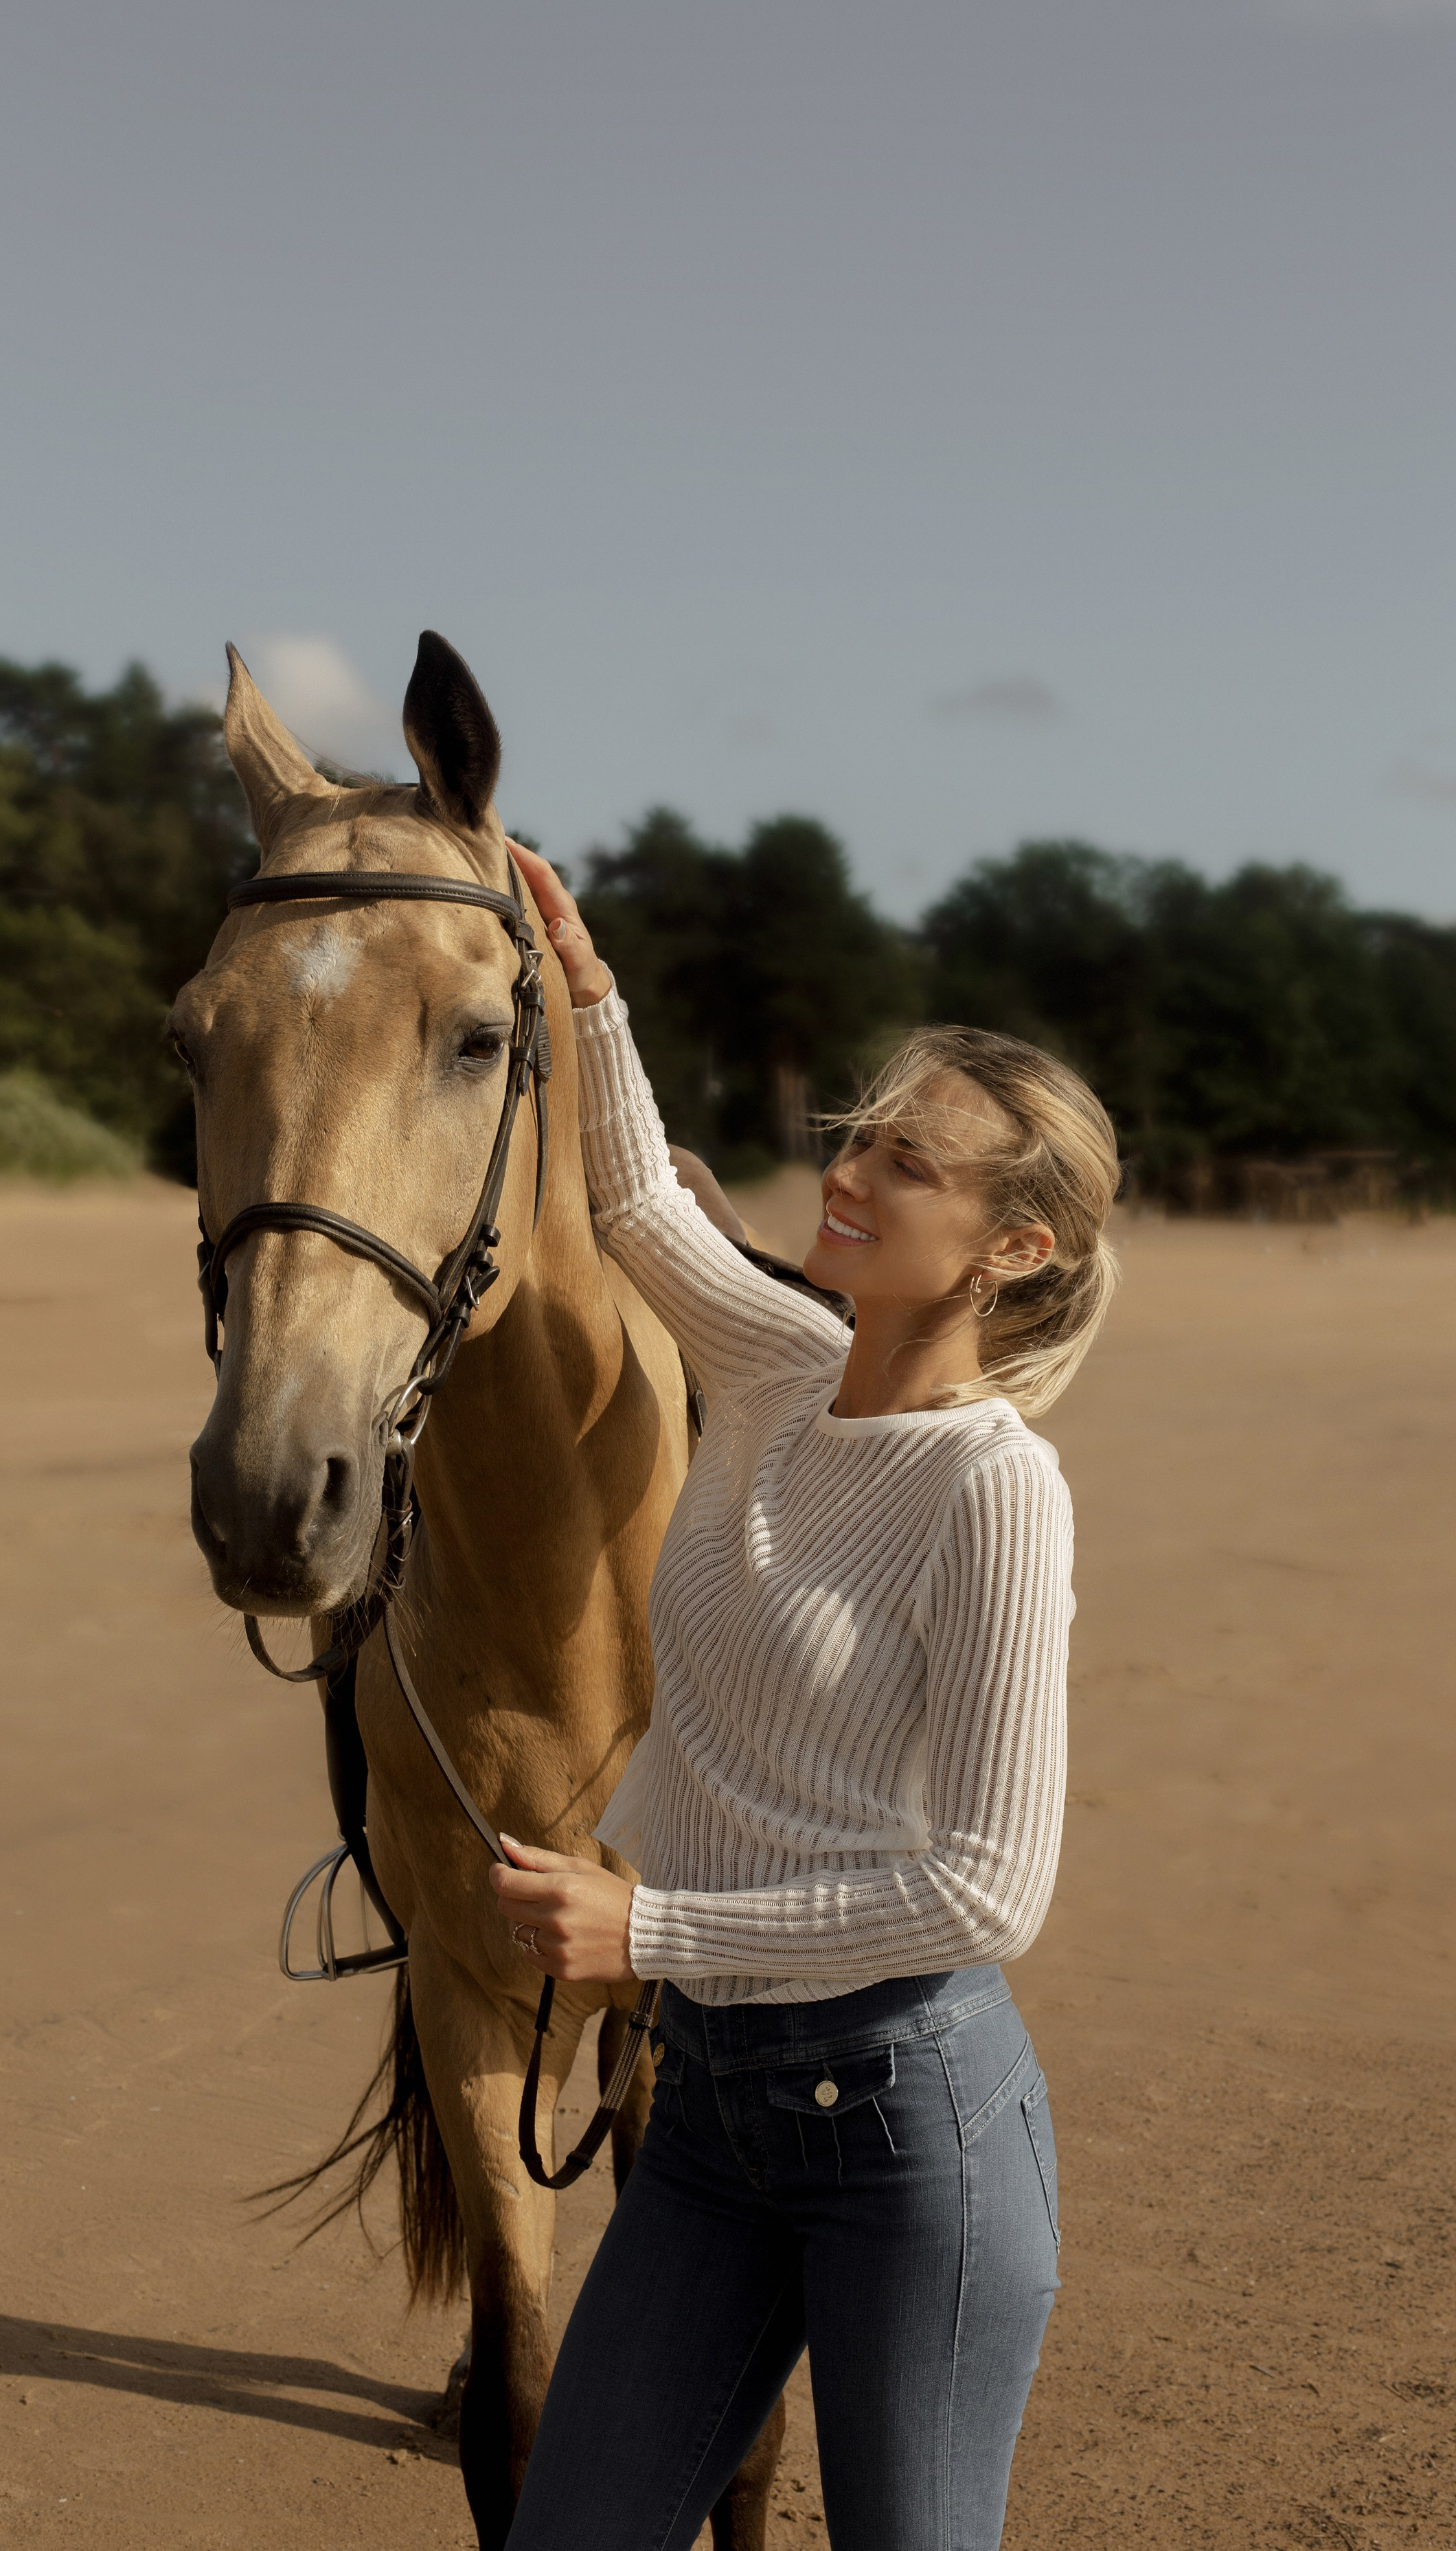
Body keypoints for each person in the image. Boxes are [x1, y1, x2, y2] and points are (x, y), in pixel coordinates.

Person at [495, 839, 1121, 2551]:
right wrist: (586, 979)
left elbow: (991, 1889)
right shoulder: (780, 1364)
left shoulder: (991, 1487)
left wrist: (654, 1936)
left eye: (902, 1162)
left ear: (1011, 1245)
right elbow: (630, 1203)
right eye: (856, 1133)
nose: (847, 1169)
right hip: (704, 2118)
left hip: (902, 2130)